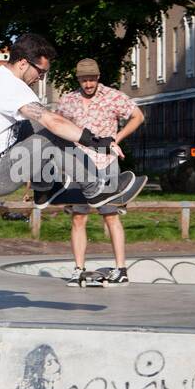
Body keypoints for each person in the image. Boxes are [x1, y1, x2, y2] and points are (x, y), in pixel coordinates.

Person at [0, 33, 147, 214]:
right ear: (23, 63)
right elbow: (54, 123)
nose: (41, 78)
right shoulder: (10, 86)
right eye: (40, 71)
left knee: (34, 124)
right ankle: (95, 189)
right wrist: (97, 142)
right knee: (52, 132)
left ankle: (43, 190)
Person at [54, 58, 144, 286]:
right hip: (78, 166)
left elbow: (138, 116)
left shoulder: (113, 97)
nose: (88, 85)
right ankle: (78, 269)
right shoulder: (68, 101)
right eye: (84, 80)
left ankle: (121, 268)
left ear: (98, 77)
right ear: (78, 79)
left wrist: (117, 137)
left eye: (92, 80)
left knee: (111, 215)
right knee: (78, 217)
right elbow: (56, 125)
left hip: (106, 164)